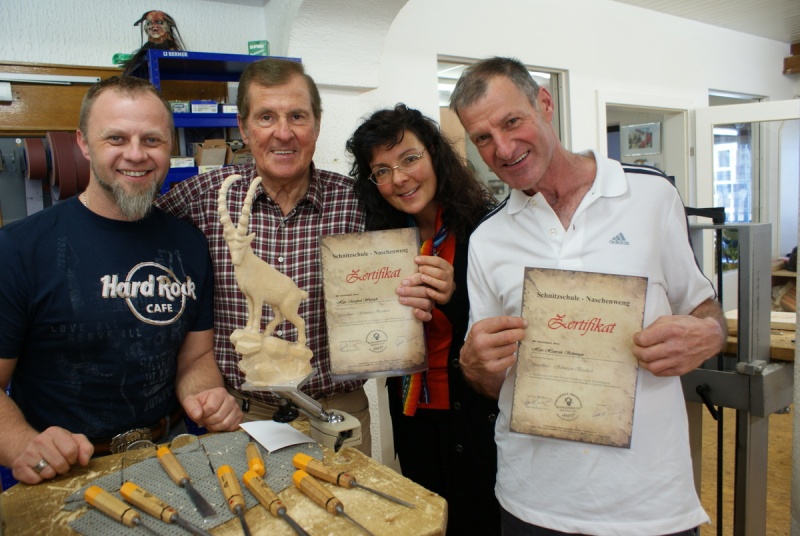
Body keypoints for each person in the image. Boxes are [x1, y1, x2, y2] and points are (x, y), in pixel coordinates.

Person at [449, 57, 727, 535]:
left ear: (545, 103)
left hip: (650, 500)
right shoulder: (488, 238)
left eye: (512, 121)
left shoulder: (651, 196)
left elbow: (703, 308)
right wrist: (474, 366)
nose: (503, 148)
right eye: (483, 138)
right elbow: (491, 380)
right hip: (532, 499)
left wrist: (709, 335)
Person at [155, 59, 434, 456]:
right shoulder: (199, 197)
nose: (283, 132)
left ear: (316, 125)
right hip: (239, 417)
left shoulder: (362, 202)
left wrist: (430, 283)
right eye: (266, 117)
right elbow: (132, 229)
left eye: (297, 116)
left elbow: (427, 239)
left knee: (349, 500)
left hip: (336, 415)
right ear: (244, 128)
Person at [0, 76, 242, 485]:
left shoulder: (189, 243)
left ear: (169, 146)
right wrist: (22, 442)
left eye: (152, 140)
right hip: (62, 471)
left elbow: (195, 358)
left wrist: (205, 396)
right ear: (83, 143)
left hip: (170, 452)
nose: (136, 154)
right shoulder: (19, 248)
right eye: (116, 138)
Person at [346, 103, 501, 535]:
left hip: (475, 415)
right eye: (381, 171)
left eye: (410, 158)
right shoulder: (382, 240)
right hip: (414, 415)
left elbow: (510, 323)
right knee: (427, 522)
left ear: (436, 155)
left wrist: (454, 296)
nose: (399, 178)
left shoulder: (487, 229)